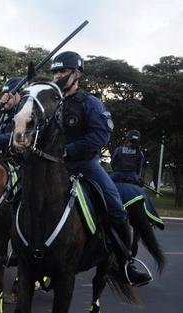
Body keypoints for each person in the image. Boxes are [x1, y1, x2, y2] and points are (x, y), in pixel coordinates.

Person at [51, 51, 151, 286]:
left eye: (62, 71)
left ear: (76, 74)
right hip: (53, 165)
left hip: (85, 164)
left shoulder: (91, 103)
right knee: (19, 190)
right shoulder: (50, 102)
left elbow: (100, 135)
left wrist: (68, 150)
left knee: (116, 208)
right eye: (55, 72)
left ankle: (126, 261)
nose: (57, 76)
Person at [110, 129, 163, 229]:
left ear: (127, 138)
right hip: (133, 176)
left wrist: (118, 171)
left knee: (103, 185)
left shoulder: (118, 149)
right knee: (143, 194)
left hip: (116, 175)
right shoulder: (140, 153)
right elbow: (139, 169)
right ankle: (151, 218)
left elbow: (113, 163)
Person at [0, 77, 23, 155]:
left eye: (8, 95)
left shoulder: (26, 113)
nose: (4, 98)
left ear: (18, 95)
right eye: (3, 95)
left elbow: (16, 135)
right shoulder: (6, 116)